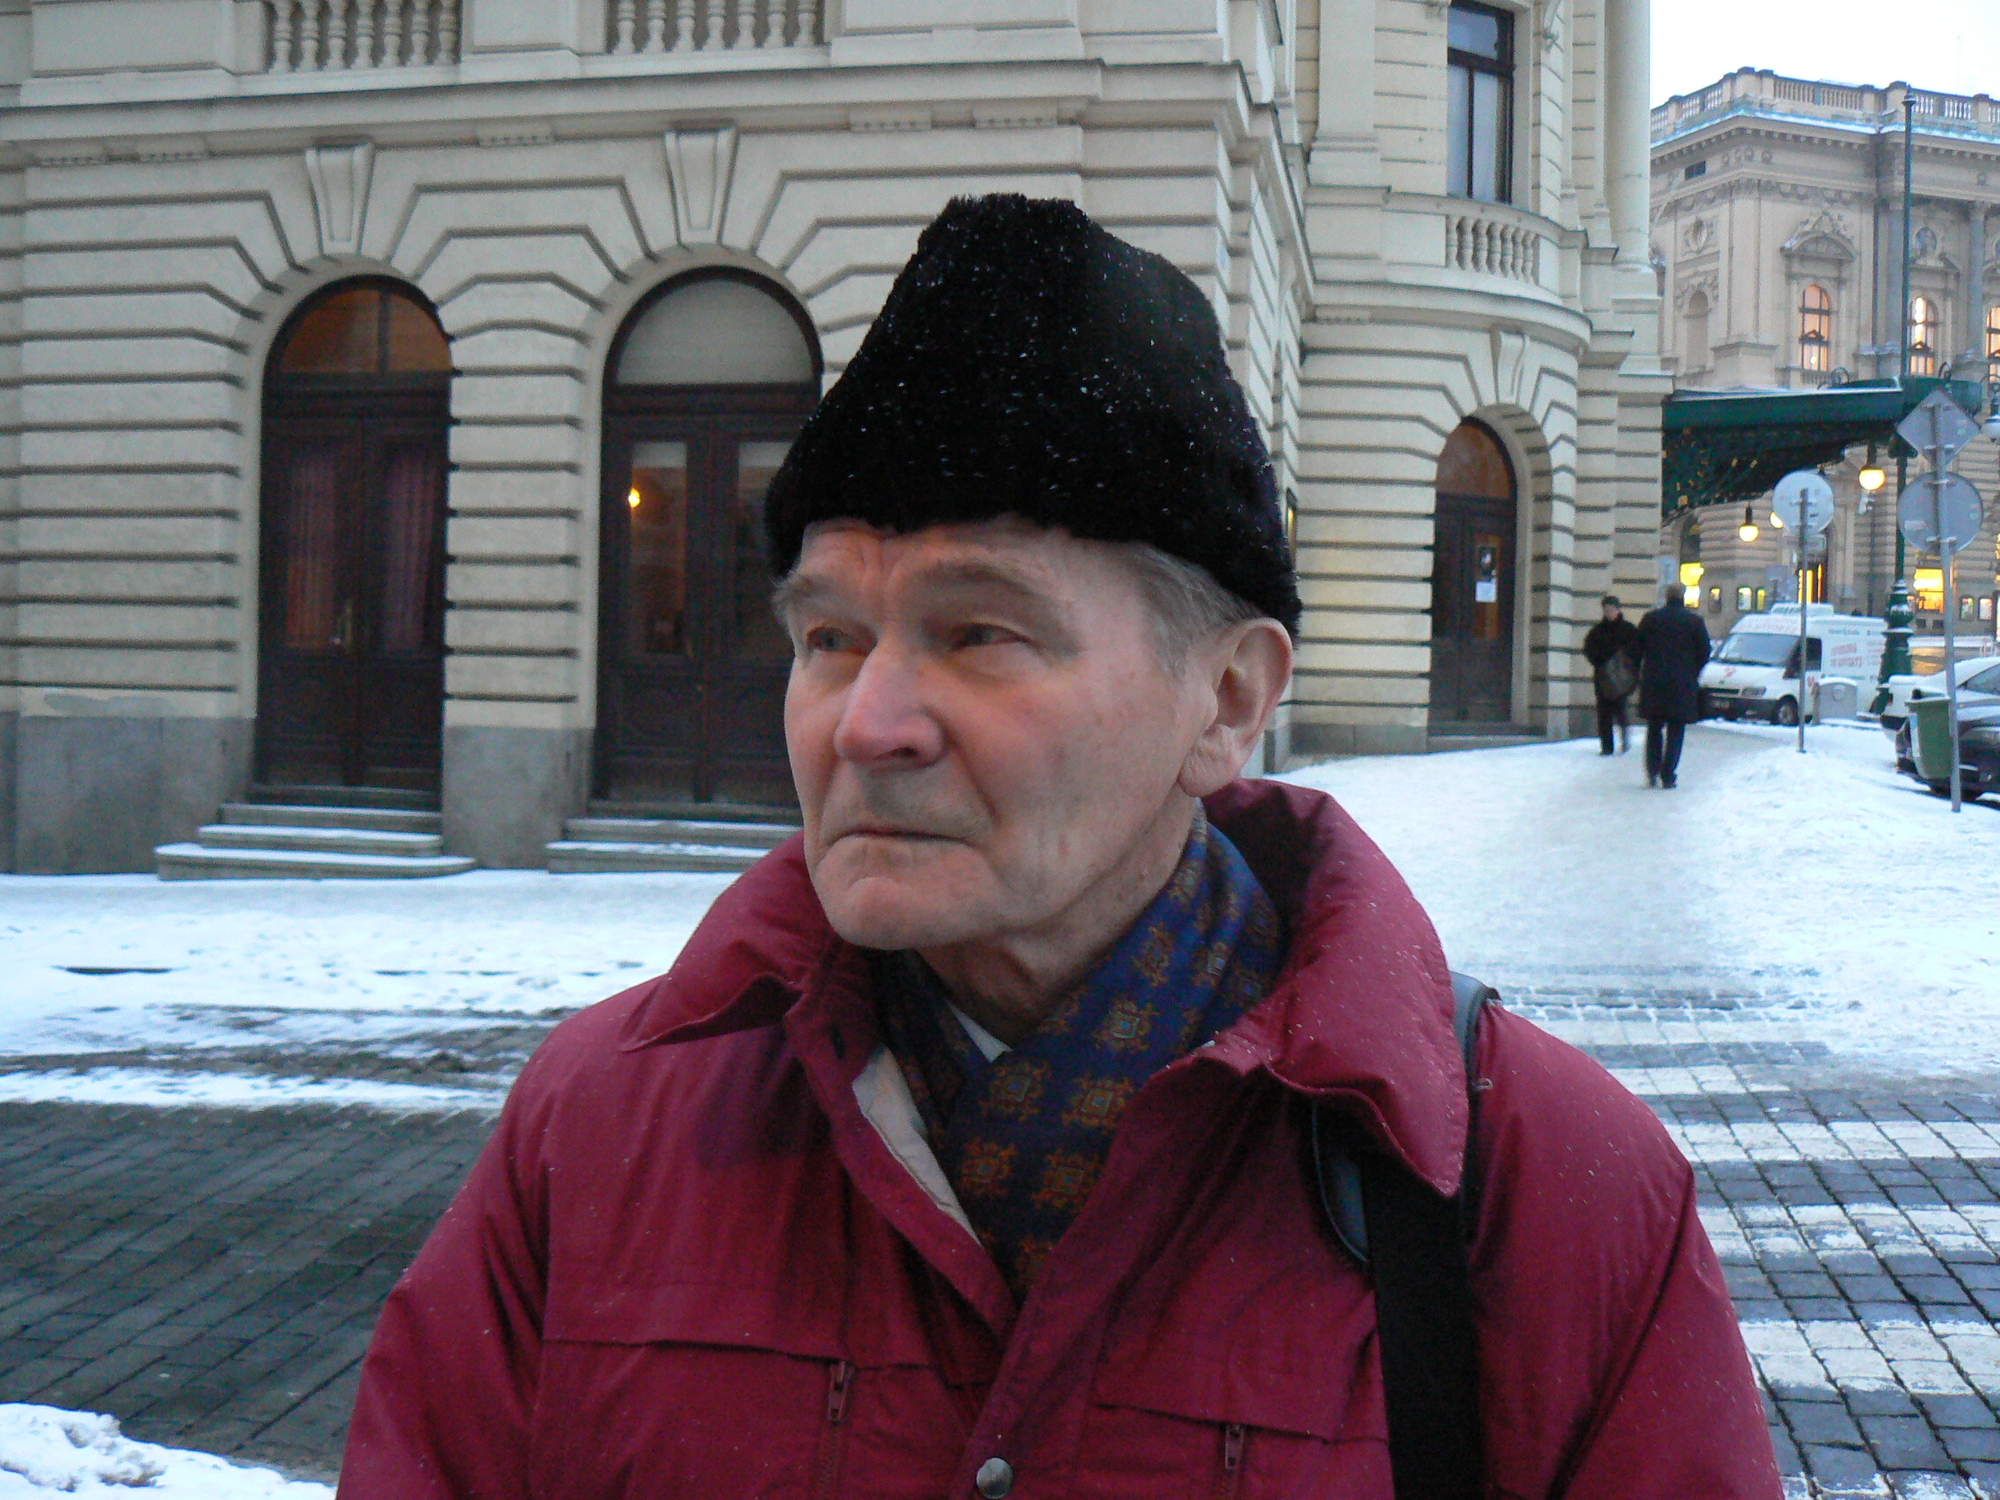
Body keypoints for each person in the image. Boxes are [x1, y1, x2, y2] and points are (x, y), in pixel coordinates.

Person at [338, 197, 1779, 1499]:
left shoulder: (1539, 1192)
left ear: (1227, 701)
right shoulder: (599, 1129)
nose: (865, 723)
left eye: (977, 632)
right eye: (828, 637)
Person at [1637, 583, 1715, 788]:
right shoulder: (1694, 622)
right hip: (1682, 683)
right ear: (1683, 596)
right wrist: (1692, 672)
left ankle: (1652, 770)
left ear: (1666, 596)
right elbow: (1704, 652)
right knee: (1676, 730)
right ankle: (1668, 773)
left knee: (1654, 727)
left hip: (1654, 681)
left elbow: (1637, 648)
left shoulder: (1651, 619)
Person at [1582, 594, 1640, 754]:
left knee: (1621, 709)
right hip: (1603, 677)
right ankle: (1607, 747)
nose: (1609, 613)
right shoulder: (1597, 631)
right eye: (1606, 610)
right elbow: (1588, 649)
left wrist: (1628, 667)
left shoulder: (1629, 630)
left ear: (1618, 610)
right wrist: (1600, 663)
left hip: (1622, 677)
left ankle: (1625, 737)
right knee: (1603, 713)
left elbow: (1637, 651)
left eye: (1612, 609)